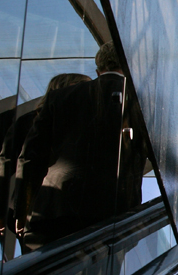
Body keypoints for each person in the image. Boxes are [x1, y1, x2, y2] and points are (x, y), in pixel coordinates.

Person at [13, 42, 149, 251]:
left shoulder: (59, 97)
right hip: (113, 217)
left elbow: (30, 157)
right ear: (131, 67)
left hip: (55, 210)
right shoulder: (144, 106)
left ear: (97, 70)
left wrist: (22, 210)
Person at [0, 73, 92, 250]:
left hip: (46, 207)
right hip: (35, 207)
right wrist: (5, 210)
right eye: (81, 88)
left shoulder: (38, 121)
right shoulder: (32, 122)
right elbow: (8, 160)